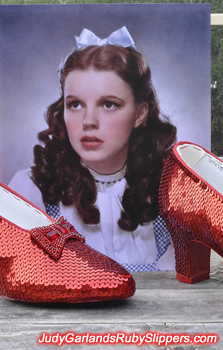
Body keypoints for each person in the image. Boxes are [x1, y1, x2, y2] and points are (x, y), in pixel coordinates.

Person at [9, 27, 177, 271]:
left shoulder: (168, 190)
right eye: (75, 104)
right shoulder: (34, 190)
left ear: (140, 114)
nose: (88, 121)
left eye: (108, 104)